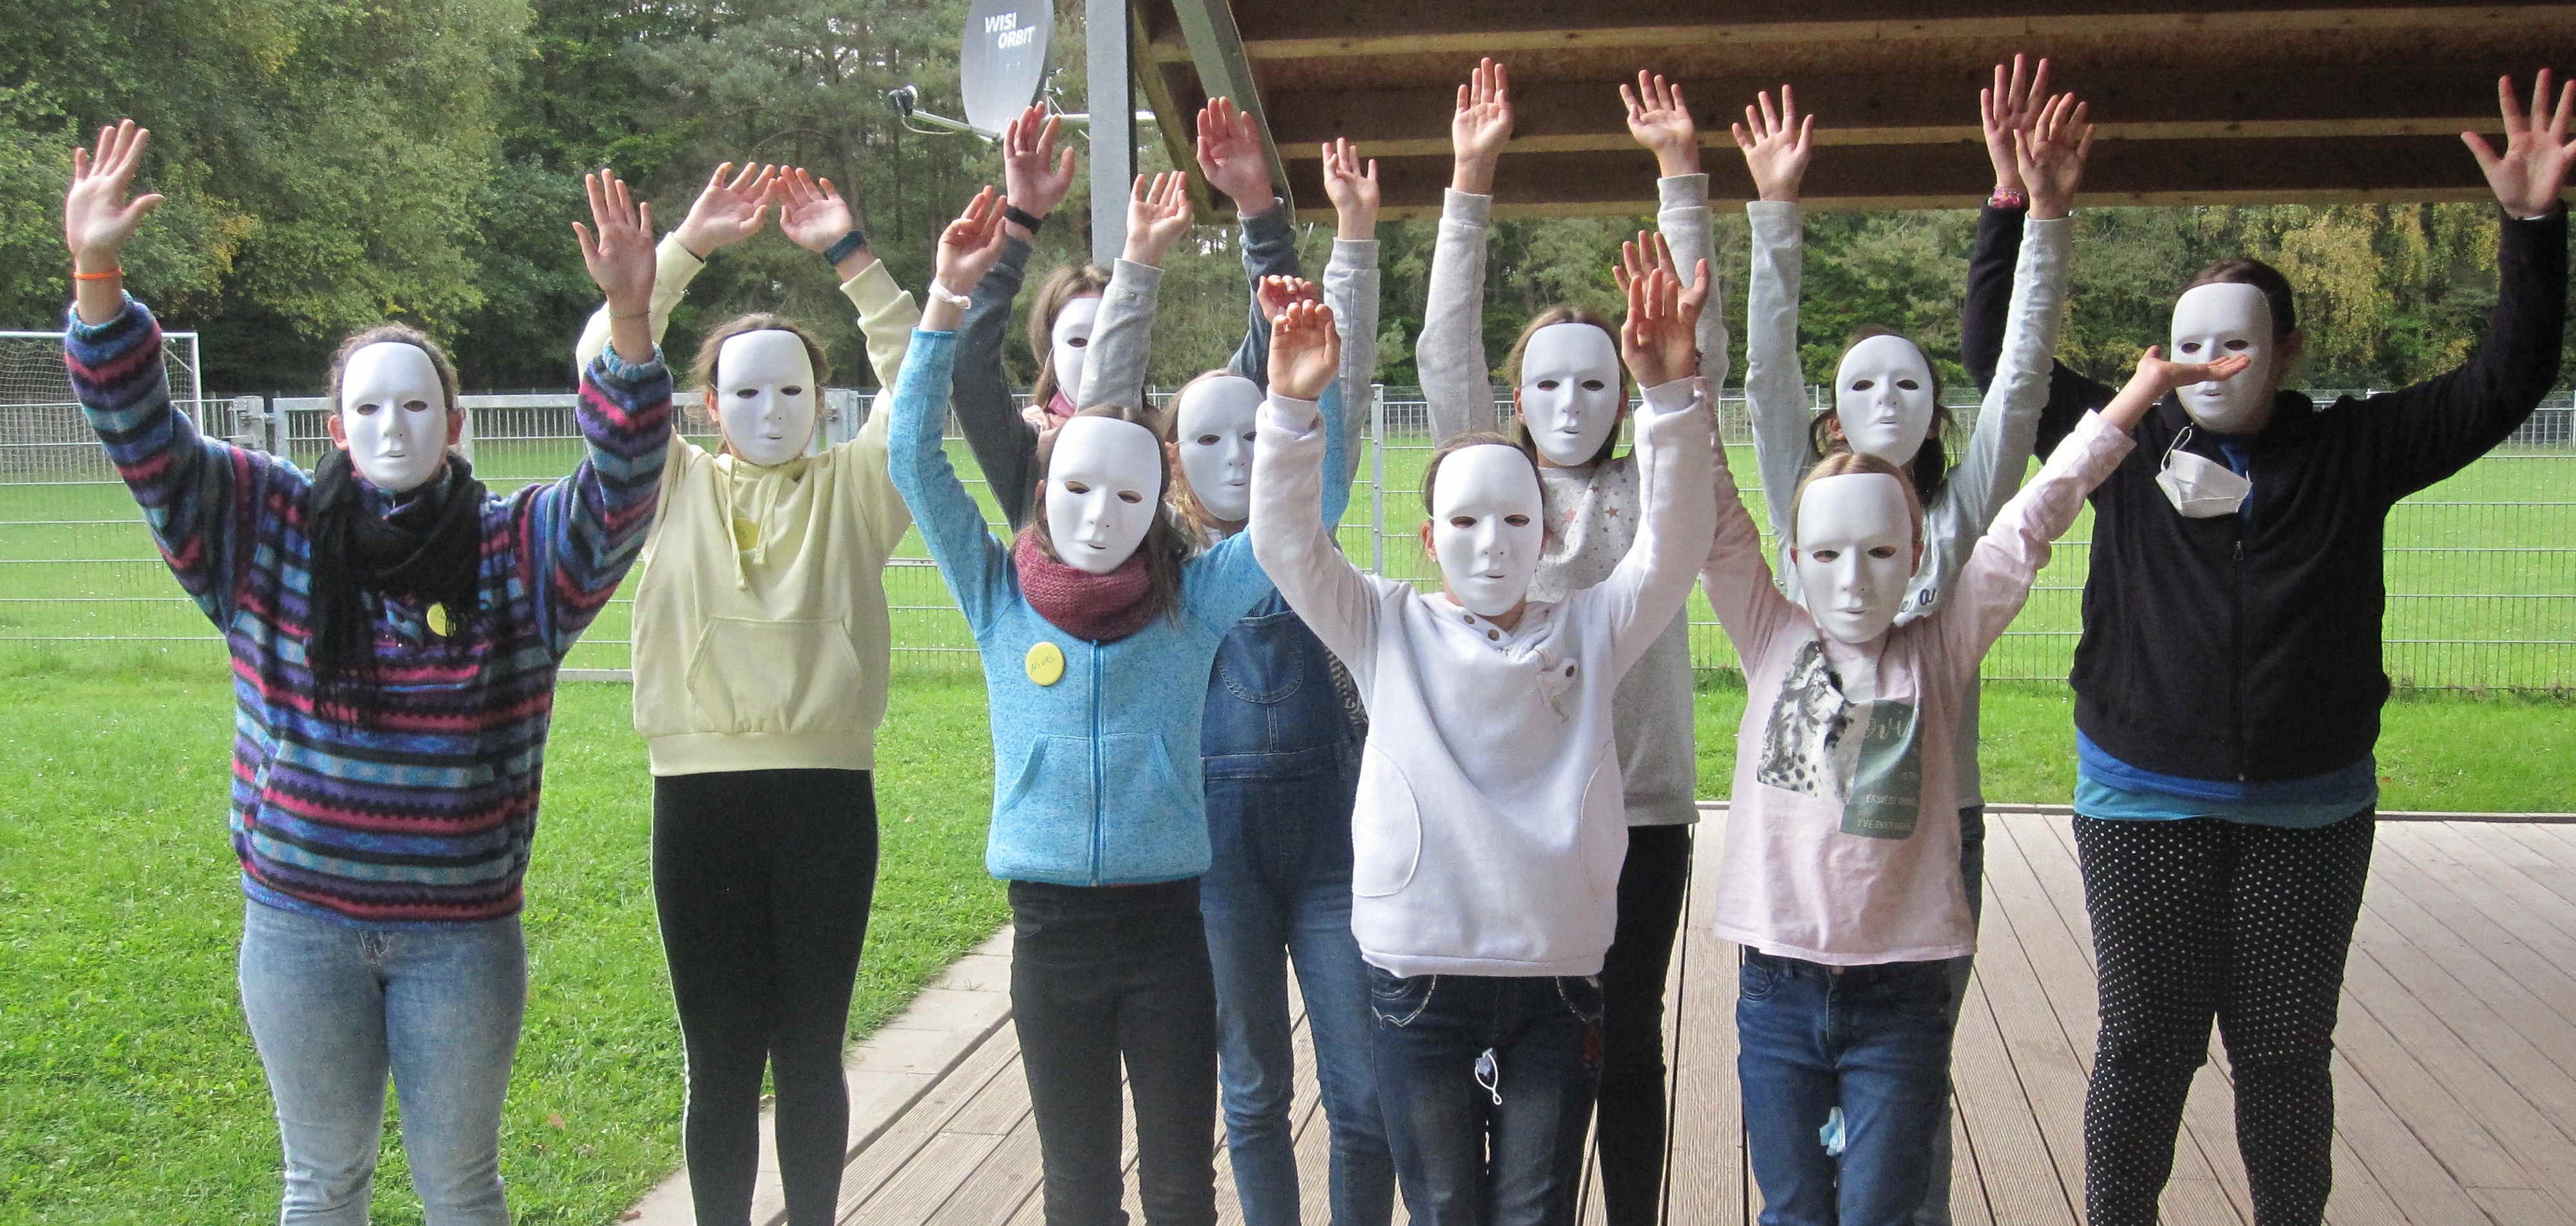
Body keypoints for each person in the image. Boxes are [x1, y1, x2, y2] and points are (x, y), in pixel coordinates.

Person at [1957, 70, 2573, 1226]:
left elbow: (2506, 381)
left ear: (2286, 349)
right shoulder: (2125, 442)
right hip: (2142, 794)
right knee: (2143, 1045)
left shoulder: (2358, 452)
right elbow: (2007, 362)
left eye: (2239, 343)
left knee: (2286, 1054)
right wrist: (2017, 207)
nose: (2215, 364)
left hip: (2312, 804)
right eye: (2193, 344)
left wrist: (2533, 228)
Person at [61, 120, 672, 1225]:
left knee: (461, 1185)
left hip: (460, 933)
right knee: (323, 1179)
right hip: (300, 924)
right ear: (336, 425)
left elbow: (623, 484)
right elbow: (141, 434)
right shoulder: (266, 525)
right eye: (370, 405)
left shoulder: (516, 550)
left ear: (457, 420)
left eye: (417, 403)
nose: (394, 424)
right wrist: (98, 277)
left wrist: (630, 318)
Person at [1704, 108, 2226, 1218]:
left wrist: (2113, 368)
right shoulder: (1777, 620)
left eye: (1885, 551)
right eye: (1831, 554)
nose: (1856, 575)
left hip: (1919, 886)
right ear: (1799, 549)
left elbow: (2036, 498)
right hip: (1782, 965)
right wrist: (1763, 215)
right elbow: (1733, 418)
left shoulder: (1949, 585)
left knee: (1898, 1169)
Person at [889, 184, 1347, 1226]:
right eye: (1079, 489)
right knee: (1079, 1184)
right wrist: (942, 305)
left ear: (1161, 499)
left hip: (1167, 930)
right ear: (1043, 484)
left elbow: (1294, 520)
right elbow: (913, 458)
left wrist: (1296, 404)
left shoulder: (1193, 602)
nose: (1101, 513)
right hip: (1049, 936)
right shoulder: (996, 591)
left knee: (1183, 1179)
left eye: (1130, 494)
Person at [1253, 264, 1717, 1226]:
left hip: (1555, 983)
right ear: (1430, 538)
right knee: (1447, 1208)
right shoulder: (1384, 626)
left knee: (1537, 1210)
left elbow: (1674, 544)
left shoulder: (1595, 626)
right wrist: (1292, 411)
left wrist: (1671, 398)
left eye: (1515, 519)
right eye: (1464, 522)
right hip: (1421, 980)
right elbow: (1288, 544)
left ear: (1549, 528)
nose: (1492, 542)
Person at [1733, 69, 2087, 1225]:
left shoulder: (1958, 519)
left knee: (1906, 1092)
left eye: (1913, 381)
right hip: (1796, 866)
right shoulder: (1808, 503)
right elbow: (1763, 372)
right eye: (1863, 381)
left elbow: (2025, 388)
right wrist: (1776, 215)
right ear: (1833, 415)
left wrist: (2035, 219)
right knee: (1808, 1118)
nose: (1888, 396)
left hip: (1938, 824)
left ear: (1938, 412)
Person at [569, 160, 922, 1226]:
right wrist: (682, 249)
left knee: (810, 1044)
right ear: (707, 404)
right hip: (699, 797)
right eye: (746, 390)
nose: (772, 408)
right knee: (721, 1052)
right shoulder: (664, 483)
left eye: (794, 388)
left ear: (824, 401)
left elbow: (921, 381)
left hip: (823, 800)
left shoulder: (860, 490)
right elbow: (602, 361)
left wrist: (854, 262)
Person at [1412, 61, 1728, 1222]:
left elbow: (1699, 356)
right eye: (1546, 378)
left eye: (1597, 379)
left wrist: (1681, 176)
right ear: (1517, 391)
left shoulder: (1656, 483)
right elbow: (1447, 346)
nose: (1571, 398)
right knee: (1515, 1034)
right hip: (1505, 808)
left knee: (1626, 1032)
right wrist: (1471, 177)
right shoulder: (1489, 484)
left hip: (1640, 809)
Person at [955, 98, 1303, 527]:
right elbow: (968, 365)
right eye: (1080, 339)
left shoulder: (1184, 435)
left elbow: (1278, 337)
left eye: (1111, 332)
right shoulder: (1030, 456)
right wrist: (1017, 224)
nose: (1097, 353)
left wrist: (1257, 207)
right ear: (1049, 350)